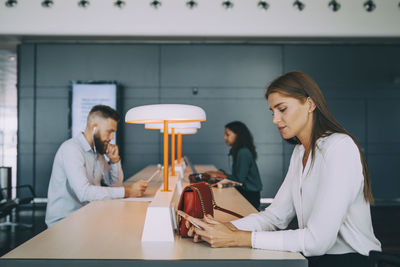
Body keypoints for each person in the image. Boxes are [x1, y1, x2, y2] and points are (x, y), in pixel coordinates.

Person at [186, 71, 381, 267]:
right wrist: (220, 228)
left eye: (282, 109)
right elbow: (276, 216)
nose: (275, 120)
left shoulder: (339, 147)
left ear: (310, 104)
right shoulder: (300, 152)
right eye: (272, 112)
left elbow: (318, 241)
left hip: (352, 260)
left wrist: (236, 238)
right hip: (314, 257)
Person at [45, 105, 148, 227]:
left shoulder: (97, 152)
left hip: (87, 216)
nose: (111, 138)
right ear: (94, 128)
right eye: (109, 132)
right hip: (64, 223)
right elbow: (84, 193)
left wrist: (115, 161)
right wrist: (128, 191)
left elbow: (115, 185)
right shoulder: (71, 149)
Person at [205, 121, 263, 210]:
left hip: (249, 195)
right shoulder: (240, 151)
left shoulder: (243, 152)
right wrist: (221, 174)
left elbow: (239, 180)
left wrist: (218, 175)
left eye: (227, 134)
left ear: (238, 135)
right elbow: (238, 176)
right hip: (247, 192)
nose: (225, 137)